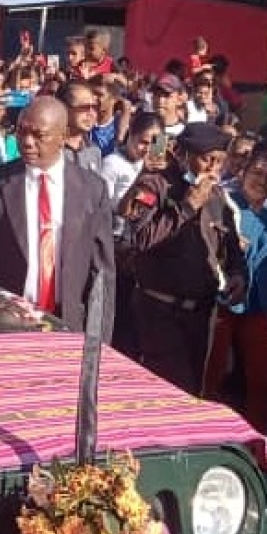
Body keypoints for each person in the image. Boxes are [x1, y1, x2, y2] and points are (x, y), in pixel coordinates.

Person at [0, 96, 115, 339]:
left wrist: (100, 340)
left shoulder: (91, 189)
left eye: (39, 135)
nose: (27, 142)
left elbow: (103, 272)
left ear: (63, 136)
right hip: (3, 323)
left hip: (66, 323)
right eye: (21, 132)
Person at [126, 122, 246, 396]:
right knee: (173, 389)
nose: (213, 168)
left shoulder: (217, 195)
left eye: (220, 161)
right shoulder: (155, 185)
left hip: (200, 315)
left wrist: (239, 275)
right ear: (184, 155)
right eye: (207, 159)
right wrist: (187, 208)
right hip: (159, 312)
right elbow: (142, 239)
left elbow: (230, 247)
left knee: (194, 391)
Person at [203, 149, 267, 433]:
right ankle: (206, 434)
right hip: (222, 302)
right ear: (243, 173)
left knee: (260, 378)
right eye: (257, 173)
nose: (262, 181)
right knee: (212, 371)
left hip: (260, 303)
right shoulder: (224, 203)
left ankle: (256, 442)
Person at [100, 111, 166, 358]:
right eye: (142, 141)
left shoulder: (155, 166)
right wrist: (142, 176)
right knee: (122, 312)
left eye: (154, 143)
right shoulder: (113, 164)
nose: (146, 148)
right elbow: (111, 208)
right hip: (118, 246)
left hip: (144, 245)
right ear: (130, 135)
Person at [55, 81, 102, 173]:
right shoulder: (49, 150)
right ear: (63, 107)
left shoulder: (94, 151)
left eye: (95, 107)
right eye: (84, 107)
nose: (91, 113)